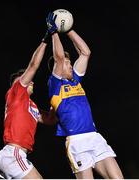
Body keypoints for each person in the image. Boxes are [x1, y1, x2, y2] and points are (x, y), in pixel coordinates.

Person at [46, 12, 124, 179]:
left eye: (69, 62)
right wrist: (53, 32)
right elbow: (59, 58)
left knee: (118, 178)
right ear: (56, 69)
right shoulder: (55, 85)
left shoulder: (75, 80)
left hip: (94, 137)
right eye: (67, 63)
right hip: (76, 142)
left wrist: (68, 29)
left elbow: (85, 52)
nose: (69, 64)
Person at [0, 31, 56, 179]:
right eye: (25, 79)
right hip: (13, 154)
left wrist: (55, 102)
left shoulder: (32, 106)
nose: (30, 81)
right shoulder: (16, 92)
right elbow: (34, 65)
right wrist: (46, 38)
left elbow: (50, 120)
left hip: (12, 155)